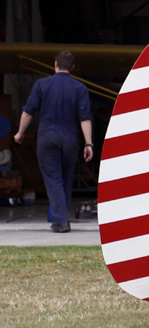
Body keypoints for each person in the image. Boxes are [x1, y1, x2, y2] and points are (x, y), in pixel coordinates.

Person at [14, 50, 94, 233]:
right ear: (72, 68)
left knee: (53, 179)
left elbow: (28, 111)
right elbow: (85, 118)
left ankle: (61, 221)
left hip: (47, 138)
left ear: (55, 64)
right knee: (65, 180)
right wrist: (89, 143)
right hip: (70, 139)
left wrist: (20, 133)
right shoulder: (80, 88)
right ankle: (60, 220)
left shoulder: (42, 84)